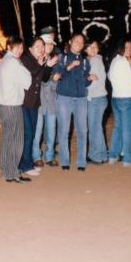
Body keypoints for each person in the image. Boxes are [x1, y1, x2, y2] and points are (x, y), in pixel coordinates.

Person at [18, 37, 58, 177]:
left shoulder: (37, 61)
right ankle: (24, 165)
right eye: (37, 46)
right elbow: (31, 75)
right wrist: (43, 65)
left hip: (34, 103)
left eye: (42, 46)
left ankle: (28, 163)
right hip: (24, 103)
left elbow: (44, 78)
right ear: (30, 49)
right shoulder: (25, 60)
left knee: (32, 133)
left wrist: (48, 66)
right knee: (28, 134)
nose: (41, 49)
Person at [0, 36, 32, 184]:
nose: (20, 50)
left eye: (21, 47)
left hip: (3, 104)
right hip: (12, 104)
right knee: (16, 139)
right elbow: (27, 81)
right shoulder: (14, 62)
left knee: (8, 138)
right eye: (17, 47)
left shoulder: (5, 60)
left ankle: (6, 170)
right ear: (9, 46)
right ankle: (12, 172)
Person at [54, 33, 91, 171]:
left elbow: (85, 82)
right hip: (64, 98)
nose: (79, 44)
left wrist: (89, 79)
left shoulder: (86, 61)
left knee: (82, 130)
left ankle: (81, 162)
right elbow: (56, 75)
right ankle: (65, 161)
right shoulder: (62, 58)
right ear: (70, 42)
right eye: (76, 41)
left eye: (81, 42)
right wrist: (68, 67)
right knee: (64, 130)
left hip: (81, 98)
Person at [108, 40, 131, 167]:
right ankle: (128, 159)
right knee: (128, 130)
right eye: (127, 47)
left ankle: (113, 156)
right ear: (121, 48)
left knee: (118, 128)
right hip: (127, 98)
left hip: (116, 98)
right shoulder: (124, 62)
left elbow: (110, 77)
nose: (130, 49)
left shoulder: (114, 61)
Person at [32, 34, 60, 167]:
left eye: (51, 44)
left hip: (51, 101)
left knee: (51, 130)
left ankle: (49, 156)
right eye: (46, 44)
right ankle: (36, 156)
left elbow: (55, 82)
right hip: (38, 102)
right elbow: (39, 81)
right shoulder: (36, 61)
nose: (49, 47)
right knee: (37, 130)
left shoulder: (55, 61)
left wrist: (55, 80)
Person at [85, 40, 109, 165]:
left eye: (95, 47)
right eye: (90, 47)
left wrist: (85, 94)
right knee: (97, 127)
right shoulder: (92, 61)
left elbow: (93, 83)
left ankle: (96, 156)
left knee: (94, 128)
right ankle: (102, 155)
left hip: (95, 98)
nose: (93, 49)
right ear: (85, 49)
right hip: (99, 98)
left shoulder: (95, 61)